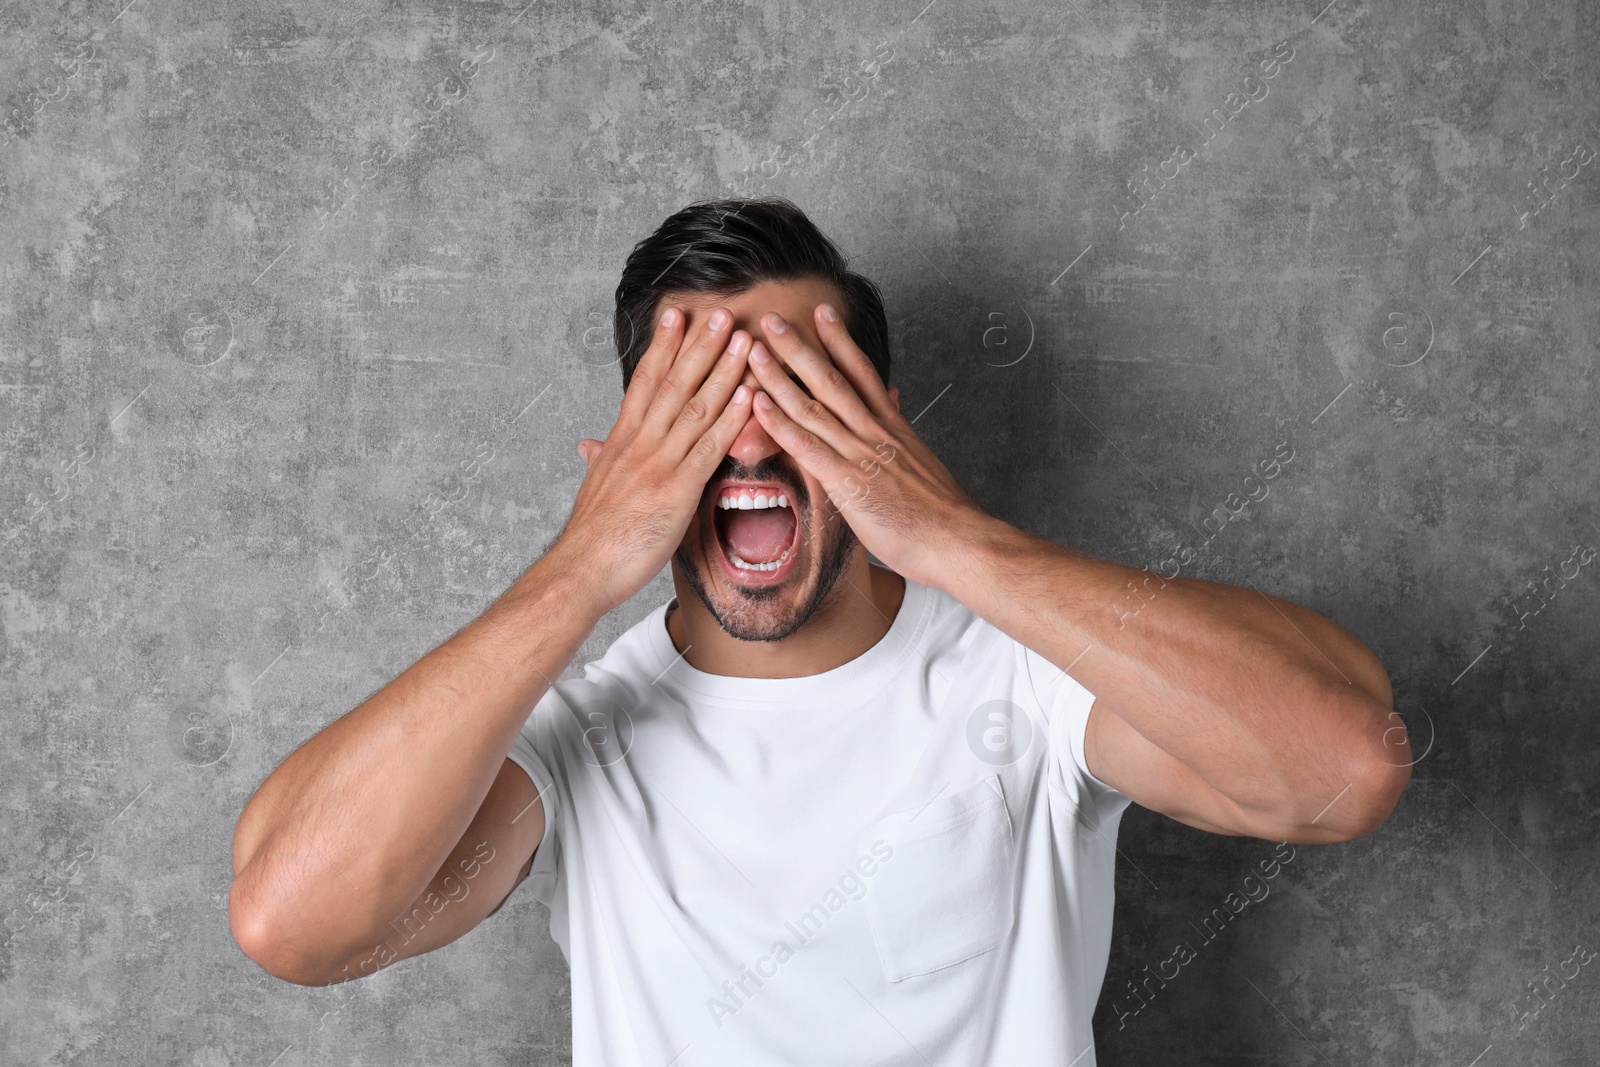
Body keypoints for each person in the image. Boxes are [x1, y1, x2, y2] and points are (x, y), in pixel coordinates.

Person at [228, 197, 1409, 1065]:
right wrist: (583, 566)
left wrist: (948, 534)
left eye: (797, 393)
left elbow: (1343, 768)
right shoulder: (571, 739)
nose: (746, 444)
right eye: (694, 407)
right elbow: (293, 921)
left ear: (879, 432)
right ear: (630, 455)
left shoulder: (1032, 683)